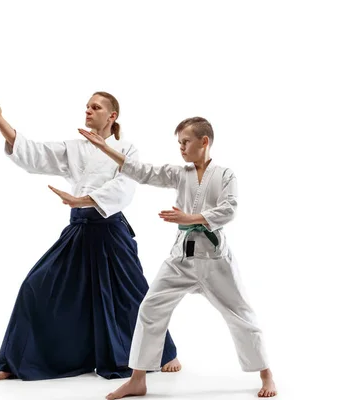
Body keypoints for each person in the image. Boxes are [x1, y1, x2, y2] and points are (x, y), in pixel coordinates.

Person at [0, 90, 180, 381]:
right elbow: (34, 153)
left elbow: (126, 186)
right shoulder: (75, 148)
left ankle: (165, 353)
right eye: (87, 106)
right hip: (79, 229)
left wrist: (84, 200)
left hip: (110, 230)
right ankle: (17, 361)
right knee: (35, 287)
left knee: (132, 294)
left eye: (96, 107)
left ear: (112, 116)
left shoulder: (126, 149)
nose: (88, 111)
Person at [78, 117, 278, 398]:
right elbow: (143, 172)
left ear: (204, 141)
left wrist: (191, 217)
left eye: (186, 142)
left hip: (214, 260)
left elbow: (229, 209)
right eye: (179, 143)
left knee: (241, 315)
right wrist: (106, 148)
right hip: (180, 259)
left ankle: (266, 375)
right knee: (149, 309)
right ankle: (138, 379)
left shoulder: (225, 175)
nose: (181, 148)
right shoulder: (179, 174)